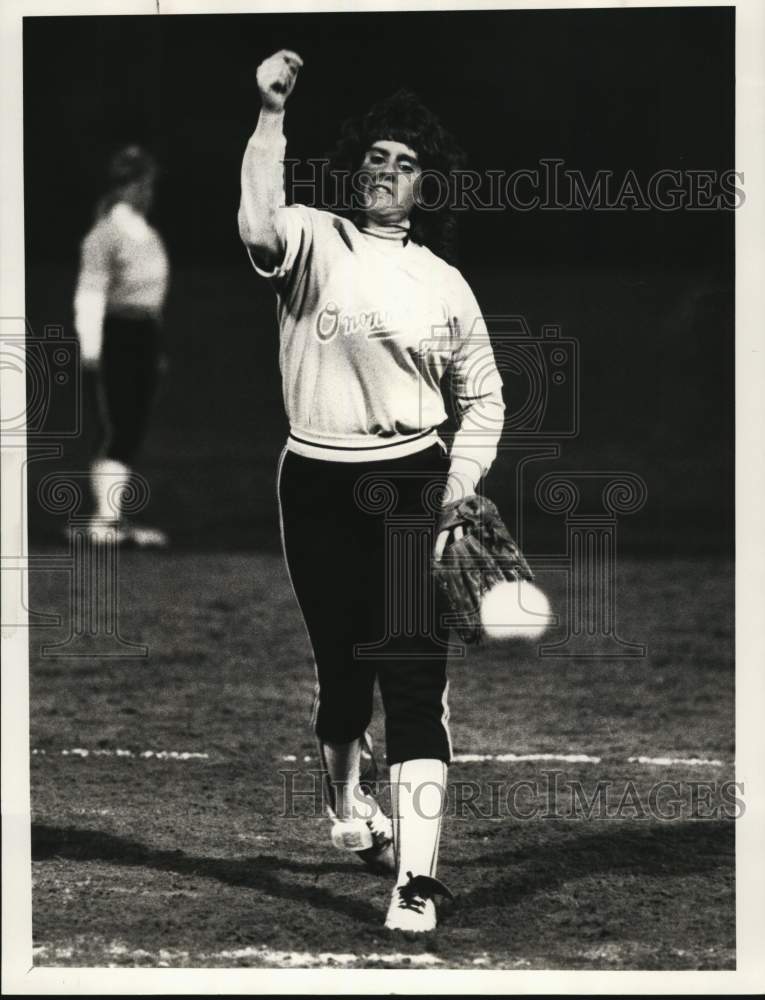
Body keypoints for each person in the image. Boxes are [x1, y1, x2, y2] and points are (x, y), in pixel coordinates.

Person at [239, 50, 504, 933]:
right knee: (342, 675)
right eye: (374, 157)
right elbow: (255, 221)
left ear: (427, 186)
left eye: (404, 164)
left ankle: (417, 882)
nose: (383, 172)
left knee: (412, 681)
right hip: (312, 479)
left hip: (409, 484)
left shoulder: (443, 283)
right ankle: (348, 811)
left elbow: (486, 397)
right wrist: (271, 114)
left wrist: (458, 489)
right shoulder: (312, 236)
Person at [73, 144, 170, 546]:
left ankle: (113, 519)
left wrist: (155, 348)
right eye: (142, 184)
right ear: (126, 186)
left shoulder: (144, 233)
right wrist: (92, 347)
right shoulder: (106, 233)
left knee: (133, 424)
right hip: (117, 333)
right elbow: (90, 292)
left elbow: (152, 293)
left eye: (149, 184)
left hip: (142, 334)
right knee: (118, 424)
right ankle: (103, 520)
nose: (148, 192)